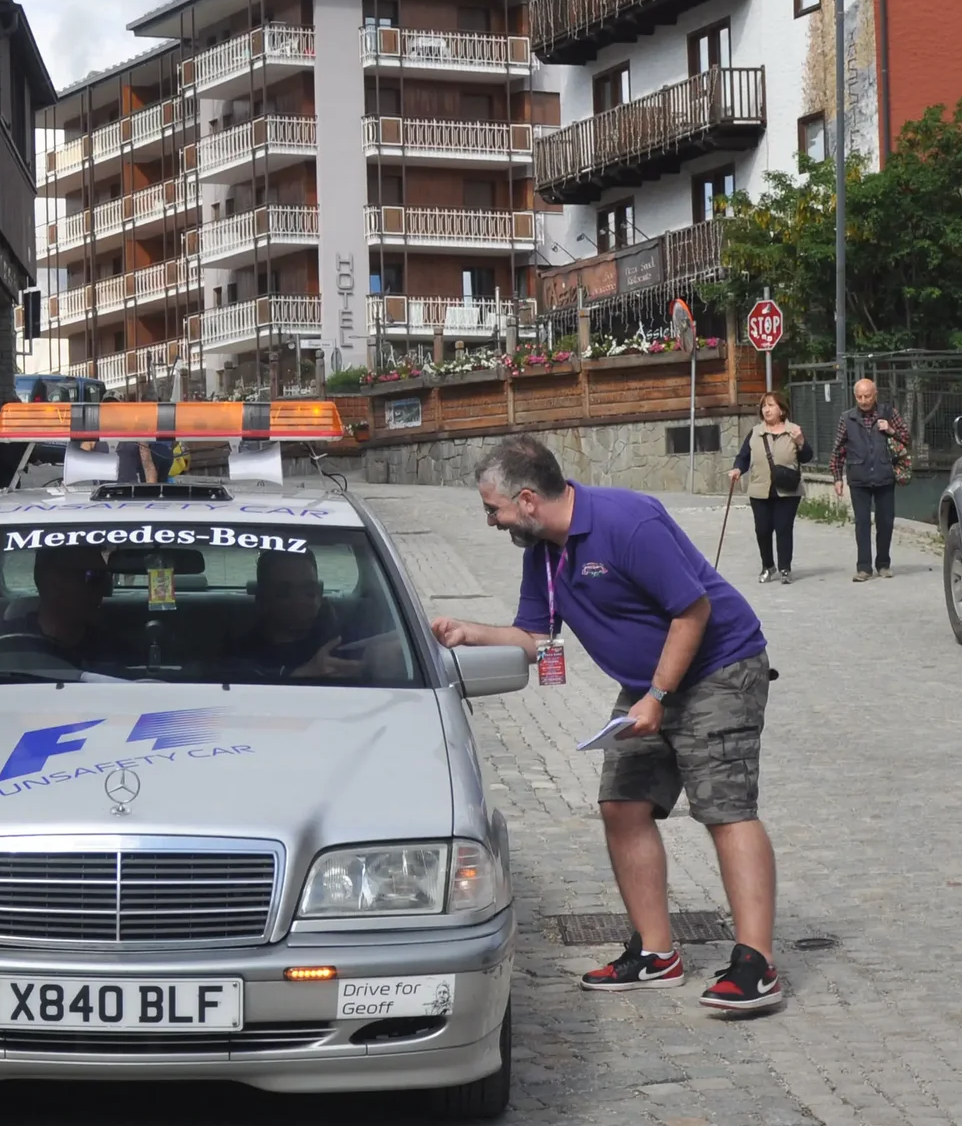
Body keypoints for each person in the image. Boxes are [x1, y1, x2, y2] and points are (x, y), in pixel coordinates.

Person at [432, 436, 785, 1015]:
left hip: (718, 669)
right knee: (622, 804)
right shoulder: (542, 552)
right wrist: (471, 632)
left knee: (724, 807)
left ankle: (755, 963)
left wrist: (658, 696)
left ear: (526, 500)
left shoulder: (627, 521)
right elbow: (537, 638)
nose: (489, 519)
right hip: (649, 685)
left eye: (492, 508)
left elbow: (692, 610)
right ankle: (656, 953)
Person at [231, 550, 371, 680]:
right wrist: (302, 677)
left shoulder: (343, 642)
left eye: (309, 591)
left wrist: (378, 663)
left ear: (320, 593)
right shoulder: (238, 658)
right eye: (285, 593)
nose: (301, 601)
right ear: (262, 598)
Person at [832, 377, 909, 581]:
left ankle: (883, 564)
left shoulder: (888, 413)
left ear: (875, 395)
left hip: (884, 474)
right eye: (859, 397)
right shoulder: (847, 418)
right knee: (862, 523)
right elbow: (838, 450)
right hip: (859, 477)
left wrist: (890, 430)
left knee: (885, 521)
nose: (864, 400)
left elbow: (906, 437)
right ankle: (864, 567)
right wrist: (837, 477)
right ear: (855, 397)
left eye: (867, 396)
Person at [728, 395, 811, 584]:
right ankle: (767, 566)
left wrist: (800, 442)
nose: (766, 409)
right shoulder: (755, 432)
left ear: (781, 410)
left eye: (771, 405)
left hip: (788, 490)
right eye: (764, 406)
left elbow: (807, 456)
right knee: (762, 529)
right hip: (759, 488)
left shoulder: (793, 431)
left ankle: (785, 568)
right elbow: (744, 456)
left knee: (783, 529)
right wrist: (737, 469)